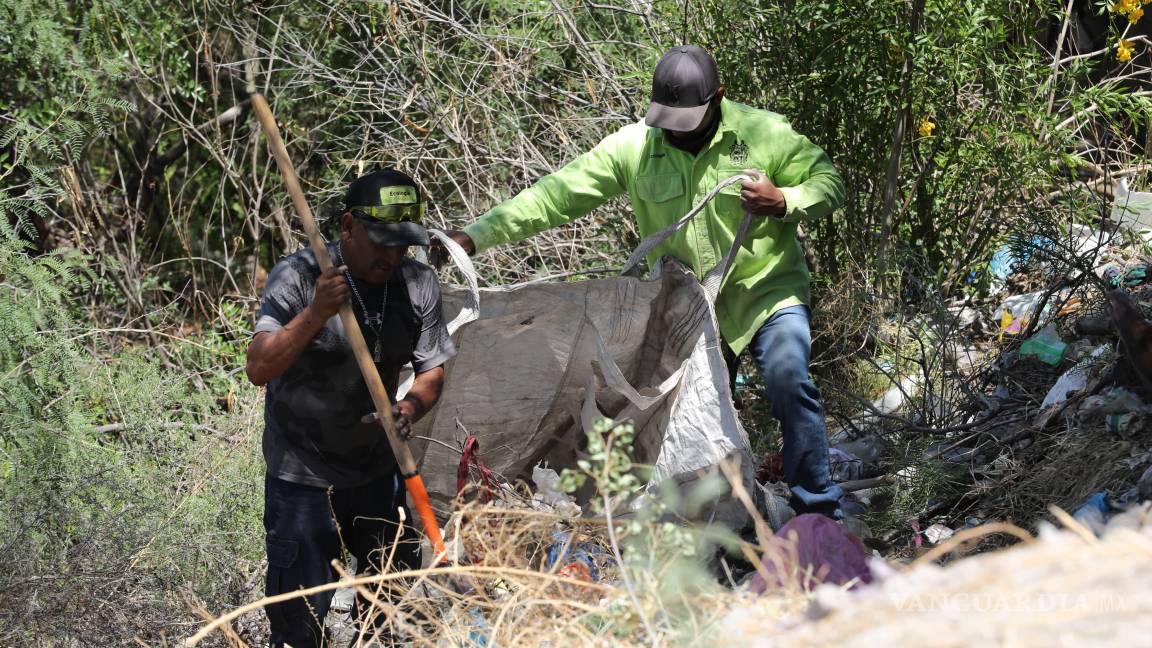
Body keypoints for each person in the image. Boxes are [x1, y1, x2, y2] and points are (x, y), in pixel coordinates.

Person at [436, 45, 845, 518]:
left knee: (787, 380)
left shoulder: (764, 134)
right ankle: (728, 530)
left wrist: (786, 198)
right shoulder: (635, 148)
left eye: (686, 120)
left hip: (766, 294)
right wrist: (474, 236)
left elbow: (828, 181)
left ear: (719, 98)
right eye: (668, 119)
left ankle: (819, 512)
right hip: (691, 310)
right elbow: (556, 196)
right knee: (702, 424)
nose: (674, 130)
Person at [246, 168, 455, 647]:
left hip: (377, 471)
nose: (393, 254)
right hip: (302, 473)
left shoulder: (418, 282)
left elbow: (432, 371)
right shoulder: (300, 276)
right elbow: (258, 367)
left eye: (403, 243)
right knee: (299, 621)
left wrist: (408, 408)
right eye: (381, 241)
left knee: (394, 607)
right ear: (347, 228)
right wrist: (316, 313)